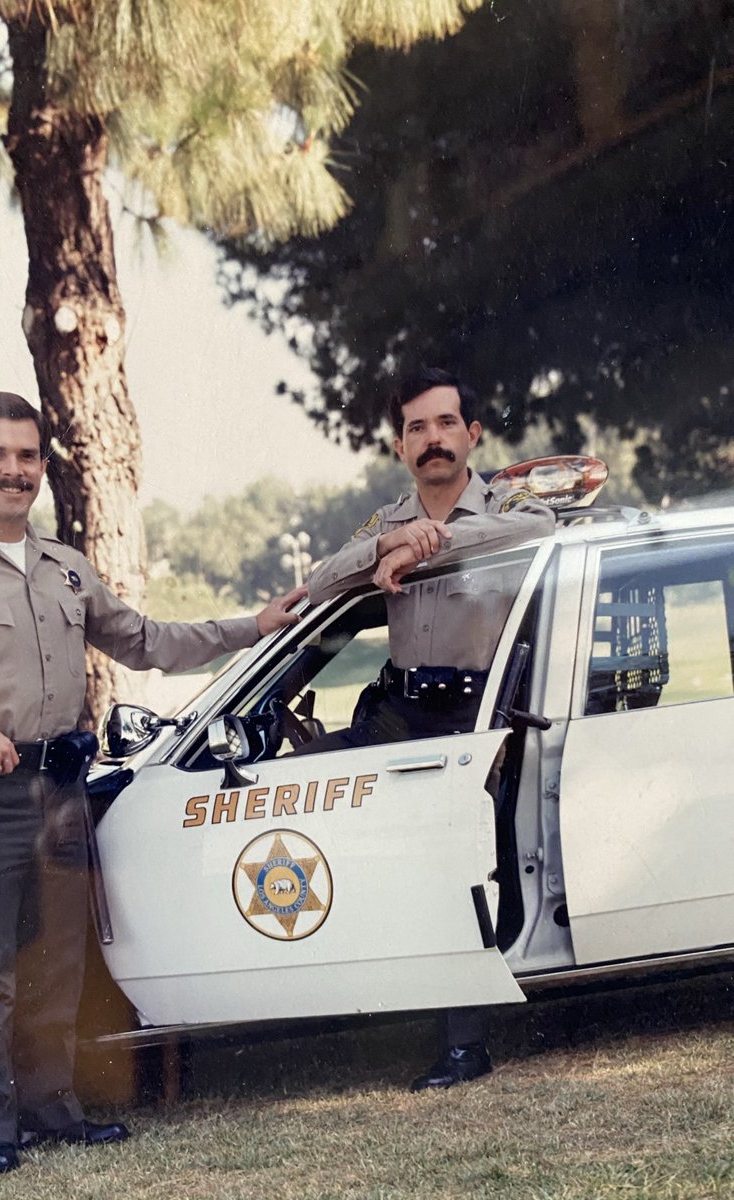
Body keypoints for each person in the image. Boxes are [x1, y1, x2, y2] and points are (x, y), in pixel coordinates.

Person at [0, 392, 303, 1174]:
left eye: (27, 457)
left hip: (59, 789)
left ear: (42, 468)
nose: (14, 472)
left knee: (59, 962)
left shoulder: (64, 567)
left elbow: (146, 640)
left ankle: (54, 1109)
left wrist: (251, 627)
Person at [303, 366, 556, 1090]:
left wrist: (433, 543)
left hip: (476, 719)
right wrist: (387, 547)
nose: (433, 439)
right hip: (401, 712)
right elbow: (323, 580)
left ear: (472, 435)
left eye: (446, 424)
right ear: (399, 445)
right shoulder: (385, 520)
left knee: (457, 869)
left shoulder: (510, 504)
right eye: (418, 428)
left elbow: (542, 531)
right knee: (310, 796)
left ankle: (463, 1048)